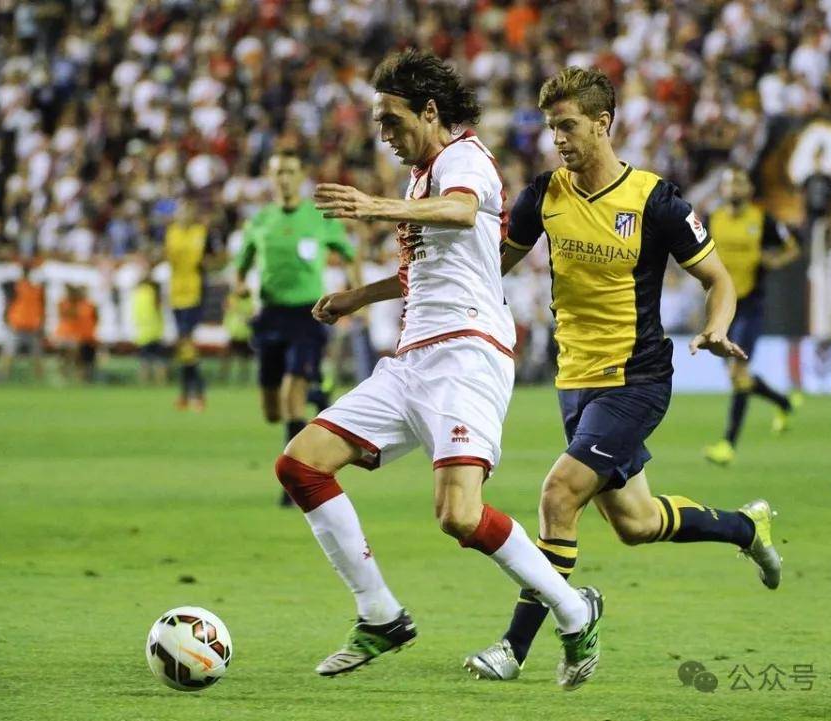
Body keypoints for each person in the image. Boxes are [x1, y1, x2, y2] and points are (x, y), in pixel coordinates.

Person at [275, 49, 602, 689]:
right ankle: (380, 614)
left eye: (392, 121)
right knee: (300, 464)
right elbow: (424, 268)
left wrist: (372, 207)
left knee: (459, 515)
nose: (384, 135)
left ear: (429, 111)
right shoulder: (420, 177)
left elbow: (459, 210)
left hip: (466, 353)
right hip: (412, 358)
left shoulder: (464, 158)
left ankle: (573, 610)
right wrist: (358, 297)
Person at [464, 67, 781, 682]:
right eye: (552, 128)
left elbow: (718, 279)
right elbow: (486, 269)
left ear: (602, 124)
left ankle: (517, 648)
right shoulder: (544, 196)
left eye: (568, 126)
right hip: (575, 380)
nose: (557, 139)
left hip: (636, 378)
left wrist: (717, 326)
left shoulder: (655, 201)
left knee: (559, 495)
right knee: (635, 523)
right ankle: (747, 527)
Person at [234, 148, 357, 506]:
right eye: (278, 172)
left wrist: (355, 293)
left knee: (291, 397)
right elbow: (240, 268)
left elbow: (349, 255)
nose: (284, 179)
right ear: (270, 177)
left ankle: (294, 482)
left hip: (308, 314)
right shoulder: (260, 221)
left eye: (290, 172)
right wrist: (239, 288)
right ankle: (319, 394)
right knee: (272, 410)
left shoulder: (318, 218)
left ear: (301, 176)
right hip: (270, 316)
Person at [703, 166, 801, 466]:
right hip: (722, 305)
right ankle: (784, 402)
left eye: (739, 183)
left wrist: (775, 261)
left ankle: (728, 445)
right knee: (738, 375)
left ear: (749, 189)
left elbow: (792, 247)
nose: (734, 188)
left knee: (737, 373)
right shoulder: (712, 219)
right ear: (722, 189)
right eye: (729, 183)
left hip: (750, 303)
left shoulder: (762, 219)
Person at [165, 198, 211, 411]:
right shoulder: (171, 232)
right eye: (181, 211)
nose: (184, 215)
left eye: (188, 211)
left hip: (194, 293)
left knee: (186, 341)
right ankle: (188, 394)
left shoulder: (201, 232)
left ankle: (196, 393)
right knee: (185, 345)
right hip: (175, 293)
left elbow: (213, 257)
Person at [0, 264, 45, 381]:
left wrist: (42, 322)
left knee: (37, 355)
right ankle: (2, 378)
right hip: (16, 325)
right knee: (8, 353)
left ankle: (39, 380)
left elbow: (41, 306)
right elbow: (8, 302)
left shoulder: (36, 288)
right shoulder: (15, 286)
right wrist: (6, 318)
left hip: (32, 325)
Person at [131, 271, 168, 385]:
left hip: (143, 331)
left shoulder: (137, 293)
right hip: (156, 330)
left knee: (144, 359)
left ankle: (143, 381)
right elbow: (160, 311)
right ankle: (161, 381)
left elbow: (135, 313)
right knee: (159, 359)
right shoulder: (155, 293)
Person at [55, 284, 97, 383]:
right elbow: (67, 315)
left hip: (79, 336)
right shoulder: (63, 303)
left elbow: (94, 318)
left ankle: (80, 379)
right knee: (64, 358)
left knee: (80, 359)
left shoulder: (87, 304)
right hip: (64, 335)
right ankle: (64, 378)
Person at [220, 285, 254, 385]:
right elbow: (226, 307)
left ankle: (244, 379)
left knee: (244, 358)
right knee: (226, 357)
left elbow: (252, 312)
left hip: (245, 334)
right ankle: (223, 378)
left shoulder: (249, 301)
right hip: (232, 333)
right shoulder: (232, 298)